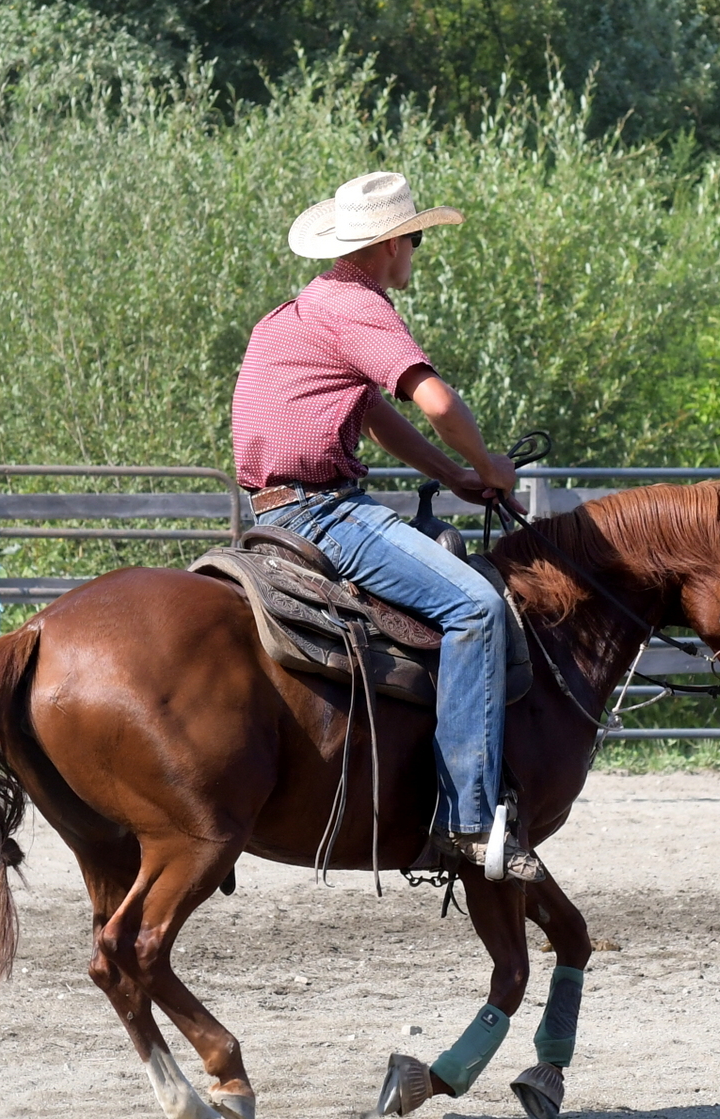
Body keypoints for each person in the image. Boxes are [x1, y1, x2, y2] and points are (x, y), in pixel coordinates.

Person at [231, 170, 544, 883]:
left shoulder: (301, 311)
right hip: (323, 510)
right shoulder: (358, 304)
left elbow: (372, 414)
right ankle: (467, 820)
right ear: (390, 245)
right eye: (415, 240)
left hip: (272, 508)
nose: (415, 253)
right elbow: (436, 402)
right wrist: (489, 465)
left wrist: (453, 475)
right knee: (476, 607)